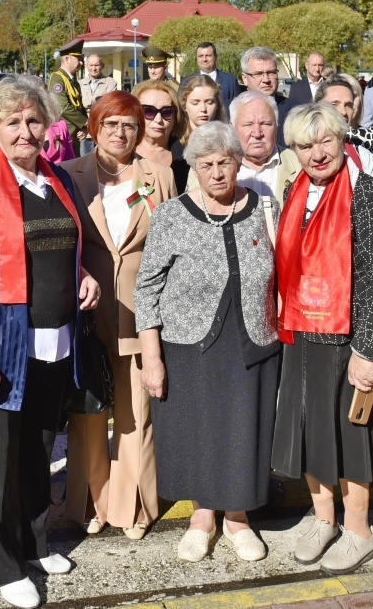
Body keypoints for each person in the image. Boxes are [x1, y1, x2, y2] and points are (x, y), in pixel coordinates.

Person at [0, 74, 100, 609]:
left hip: (56, 340)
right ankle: (2, 561)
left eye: (34, 120)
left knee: (37, 449)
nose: (25, 131)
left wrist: (83, 276)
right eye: (12, 122)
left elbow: (65, 245)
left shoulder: (57, 179)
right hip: (1, 347)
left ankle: (33, 541)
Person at [135, 121, 281, 563]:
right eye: (206, 164)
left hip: (252, 336)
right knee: (197, 428)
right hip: (187, 341)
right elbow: (147, 287)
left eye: (225, 162)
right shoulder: (172, 214)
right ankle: (202, 518)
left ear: (239, 163)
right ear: (193, 167)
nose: (217, 172)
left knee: (243, 427)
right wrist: (151, 354)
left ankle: (237, 519)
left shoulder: (264, 207)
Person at [271, 102, 373, 575]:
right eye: (305, 145)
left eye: (326, 141)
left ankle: (358, 530)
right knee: (310, 429)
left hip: (350, 338)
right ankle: (323, 519)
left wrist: (366, 351)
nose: (318, 153)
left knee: (352, 435)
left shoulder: (365, 193)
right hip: (304, 336)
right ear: (294, 151)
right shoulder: (294, 190)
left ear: (342, 139)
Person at [60, 91, 178, 541]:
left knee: (136, 413)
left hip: (141, 311)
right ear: (93, 127)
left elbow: (171, 243)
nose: (120, 132)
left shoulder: (160, 175)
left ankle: (134, 505)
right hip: (87, 314)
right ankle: (92, 500)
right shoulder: (70, 175)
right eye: (110, 124)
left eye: (129, 124)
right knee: (88, 414)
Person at [314, 74, 373, 182]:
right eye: (334, 104)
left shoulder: (366, 159)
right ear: (317, 106)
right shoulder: (301, 153)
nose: (343, 112)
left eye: (348, 105)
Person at [131, 80, 189, 192]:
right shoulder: (122, 153)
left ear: (175, 118)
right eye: (148, 111)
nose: (158, 120)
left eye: (167, 112)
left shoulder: (187, 158)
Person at [239, 46, 300, 148]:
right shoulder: (230, 110)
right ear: (245, 78)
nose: (266, 79)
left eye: (271, 72)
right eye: (258, 74)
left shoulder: (296, 110)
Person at [175, 76, 226, 175]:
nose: (203, 109)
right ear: (184, 105)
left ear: (217, 105)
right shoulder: (174, 143)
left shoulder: (226, 141)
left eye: (209, 102)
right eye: (195, 103)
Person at [49, 40, 88, 146]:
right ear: (67, 59)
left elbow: (79, 106)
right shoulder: (57, 79)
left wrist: (84, 127)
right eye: (78, 59)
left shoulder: (73, 80)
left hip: (75, 135)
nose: (81, 63)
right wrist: (85, 122)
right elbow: (62, 107)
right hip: (63, 135)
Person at [180, 42, 238, 111]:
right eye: (201, 56)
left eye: (208, 55)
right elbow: (181, 108)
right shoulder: (186, 81)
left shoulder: (230, 81)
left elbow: (239, 107)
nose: (204, 59)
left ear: (215, 57)